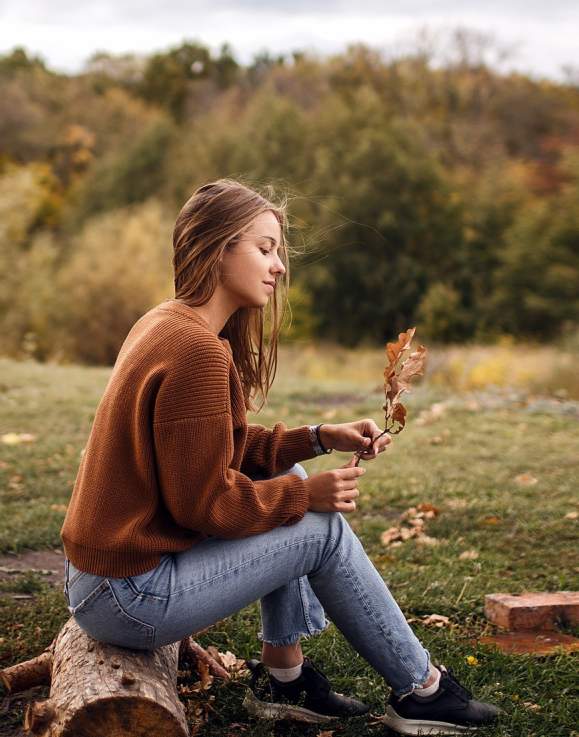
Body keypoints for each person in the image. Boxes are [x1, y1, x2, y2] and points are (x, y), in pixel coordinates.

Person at [61, 179, 501, 735]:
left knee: (289, 478)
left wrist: (320, 437)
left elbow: (227, 451)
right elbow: (203, 502)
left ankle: (285, 681)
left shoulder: (168, 321)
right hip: (128, 597)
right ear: (219, 250)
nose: (280, 267)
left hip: (103, 579)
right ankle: (422, 691)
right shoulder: (195, 352)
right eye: (265, 249)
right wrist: (307, 497)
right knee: (319, 528)